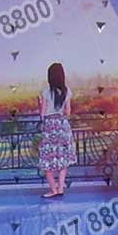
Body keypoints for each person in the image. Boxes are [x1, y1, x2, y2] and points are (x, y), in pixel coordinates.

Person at [37, 62, 77, 199]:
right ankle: (60, 187)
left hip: (50, 126)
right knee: (63, 157)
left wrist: (40, 104)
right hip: (63, 125)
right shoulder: (67, 91)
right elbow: (68, 112)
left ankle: (53, 189)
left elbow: (42, 113)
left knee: (47, 159)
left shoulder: (46, 91)